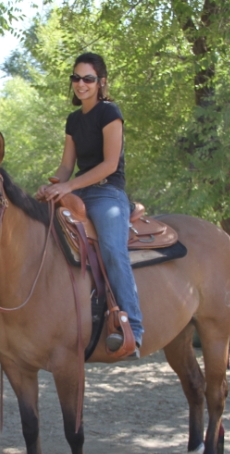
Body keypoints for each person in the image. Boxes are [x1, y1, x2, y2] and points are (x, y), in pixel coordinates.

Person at [36, 52, 143, 357]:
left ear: (101, 82)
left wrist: (70, 185)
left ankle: (133, 328)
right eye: (76, 78)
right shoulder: (73, 119)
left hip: (107, 193)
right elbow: (65, 166)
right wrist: (52, 185)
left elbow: (110, 164)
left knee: (111, 249)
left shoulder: (110, 113)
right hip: (79, 191)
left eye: (88, 79)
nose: (80, 84)